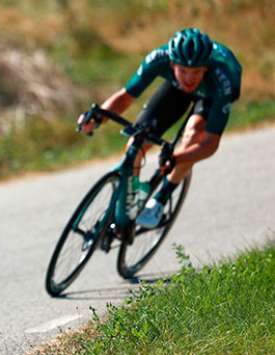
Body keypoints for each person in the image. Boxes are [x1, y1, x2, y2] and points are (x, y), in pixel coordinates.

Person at [78, 28, 241, 227]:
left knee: (193, 135)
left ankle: (160, 200)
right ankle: (130, 205)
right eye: (183, 71)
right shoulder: (158, 59)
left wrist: (175, 159)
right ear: (172, 64)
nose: (189, 78)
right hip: (175, 89)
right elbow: (125, 97)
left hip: (210, 94)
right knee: (135, 144)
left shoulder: (222, 80)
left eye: (196, 72)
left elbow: (209, 144)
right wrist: (97, 118)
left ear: (205, 67)